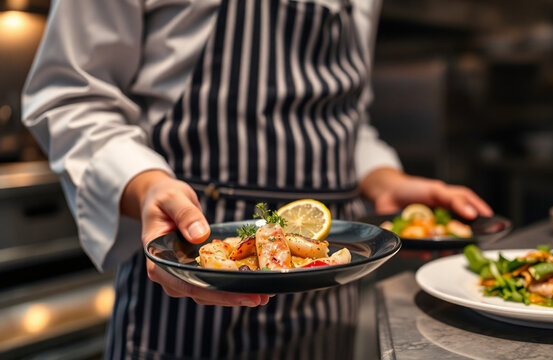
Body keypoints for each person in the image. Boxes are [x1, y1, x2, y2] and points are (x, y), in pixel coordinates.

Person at [22, 0, 493, 358]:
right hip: (186, 290)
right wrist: (144, 184)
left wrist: (381, 177)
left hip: (327, 297)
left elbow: (344, 117)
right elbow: (69, 95)